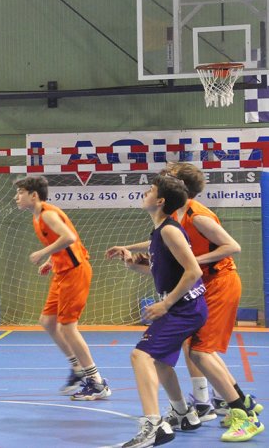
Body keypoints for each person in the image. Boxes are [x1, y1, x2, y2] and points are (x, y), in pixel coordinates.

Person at [107, 163, 263, 429]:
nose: (162, 179)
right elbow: (164, 244)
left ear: (176, 188)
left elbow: (232, 246)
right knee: (194, 349)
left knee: (199, 350)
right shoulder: (170, 222)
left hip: (219, 281)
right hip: (197, 283)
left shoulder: (197, 216)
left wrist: (190, 262)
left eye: (168, 177)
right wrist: (131, 252)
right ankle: (233, 402)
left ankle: (225, 407)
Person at [13, 176, 111, 400]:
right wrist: (51, 261)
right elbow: (63, 243)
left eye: (20, 193)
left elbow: (69, 237)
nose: (16, 197)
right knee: (47, 321)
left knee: (68, 327)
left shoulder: (47, 214)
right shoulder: (37, 217)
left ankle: (97, 382)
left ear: (33, 195)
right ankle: (77, 368)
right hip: (62, 271)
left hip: (75, 272)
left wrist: (43, 253)